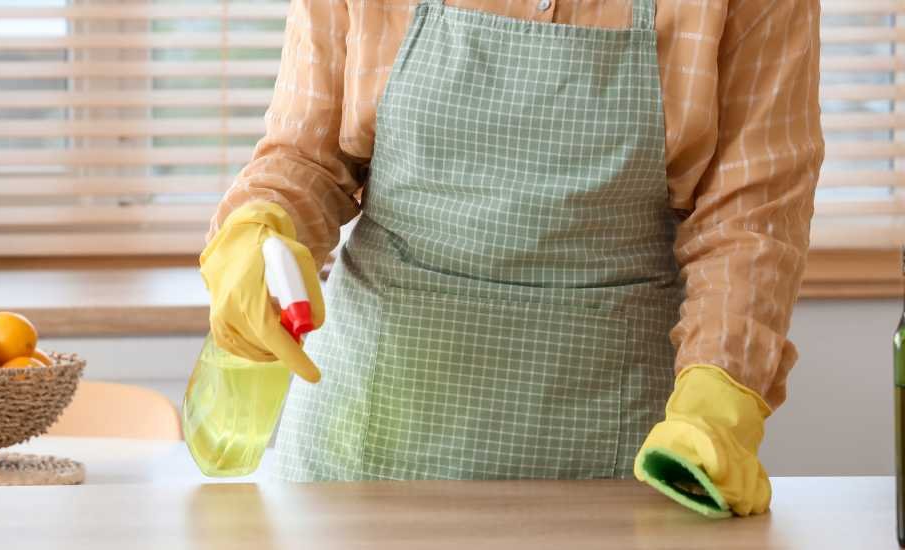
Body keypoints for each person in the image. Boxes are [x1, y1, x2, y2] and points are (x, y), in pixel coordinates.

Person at [199, 0, 823, 518]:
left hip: (618, 458)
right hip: (366, 448)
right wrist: (261, 225)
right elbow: (305, 157)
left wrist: (719, 394)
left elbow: (749, 218)